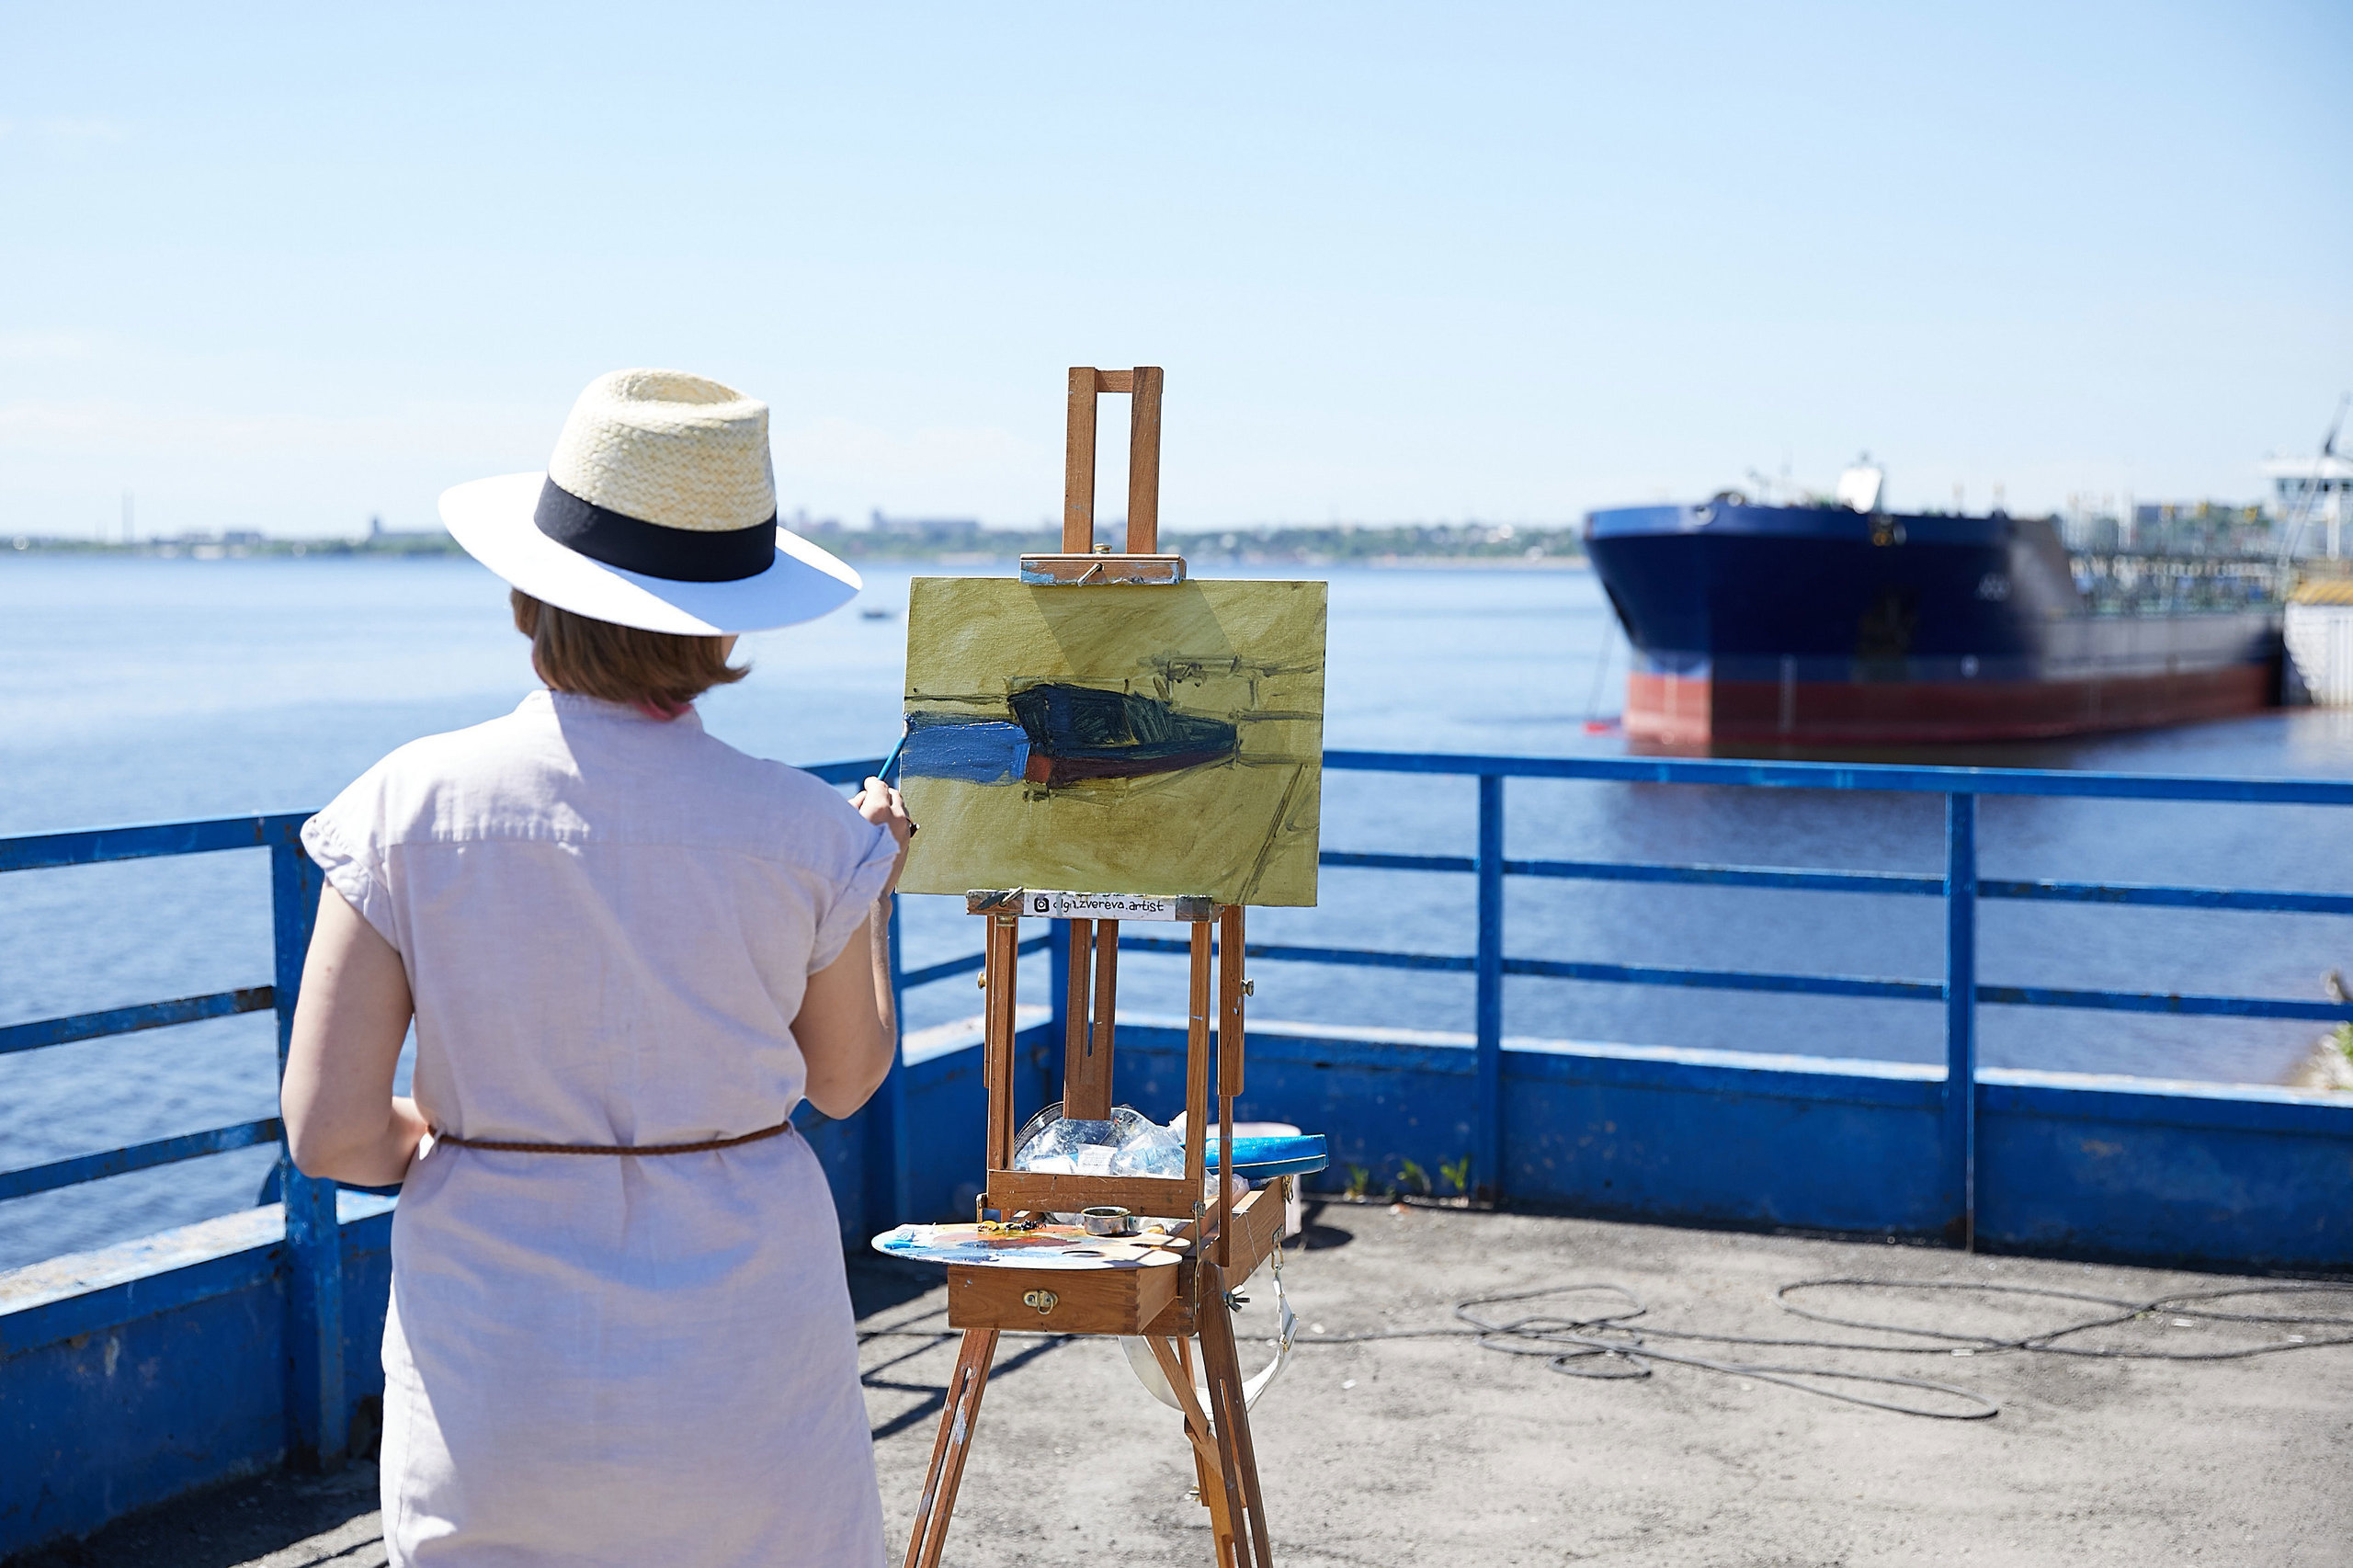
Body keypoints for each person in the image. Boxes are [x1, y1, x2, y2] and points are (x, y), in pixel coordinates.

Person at [279, 369, 906, 1566]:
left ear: (528, 595)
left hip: (495, 1365)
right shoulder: (807, 833)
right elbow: (843, 1078)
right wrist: (875, 888)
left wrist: (462, 1139)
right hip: (748, 1375)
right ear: (728, 623)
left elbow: (331, 1133)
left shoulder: (403, 810)